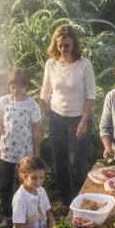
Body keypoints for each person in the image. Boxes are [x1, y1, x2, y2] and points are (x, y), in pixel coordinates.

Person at [40, 25, 97, 204]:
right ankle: (65, 200)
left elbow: (91, 96)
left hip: (78, 118)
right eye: (60, 45)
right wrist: (39, 115)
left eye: (67, 45)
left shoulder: (84, 65)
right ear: (55, 45)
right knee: (60, 161)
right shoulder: (51, 64)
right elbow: (45, 92)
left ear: (74, 45)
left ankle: (78, 200)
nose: (63, 49)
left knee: (76, 162)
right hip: (56, 117)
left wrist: (84, 121)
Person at [0, 68, 42, 228]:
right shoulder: (3, 101)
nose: (16, 90)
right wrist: (0, 128)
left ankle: (25, 216)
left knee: (26, 185)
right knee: (5, 184)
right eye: (13, 86)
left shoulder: (32, 105)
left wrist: (37, 156)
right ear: (9, 86)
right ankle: (8, 217)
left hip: (25, 155)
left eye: (20, 86)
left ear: (26, 86)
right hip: (6, 153)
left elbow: (36, 131)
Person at [7, 155, 55, 228]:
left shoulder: (41, 191)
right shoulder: (21, 198)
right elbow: (19, 225)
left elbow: (48, 211)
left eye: (41, 178)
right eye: (34, 178)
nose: (38, 182)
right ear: (24, 176)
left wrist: (53, 224)